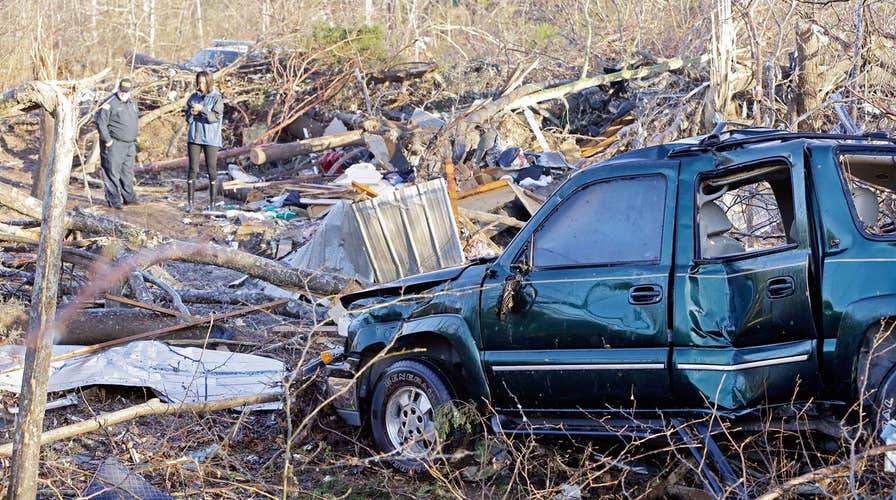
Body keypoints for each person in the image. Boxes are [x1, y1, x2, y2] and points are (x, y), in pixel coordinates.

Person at [95, 77, 139, 209]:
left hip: (129, 144)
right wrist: (108, 140)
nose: (123, 93)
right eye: (122, 90)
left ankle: (129, 199)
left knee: (127, 173)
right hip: (114, 144)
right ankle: (114, 201)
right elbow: (100, 122)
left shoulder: (132, 103)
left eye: (126, 91)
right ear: (118, 89)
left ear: (130, 91)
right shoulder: (109, 103)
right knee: (112, 172)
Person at [184, 70, 224, 212]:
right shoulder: (193, 97)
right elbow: (187, 118)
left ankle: (212, 204)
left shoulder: (217, 97)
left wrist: (203, 109)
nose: (201, 85)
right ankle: (190, 204)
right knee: (192, 169)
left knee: (211, 169)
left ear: (209, 82)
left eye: (203, 82)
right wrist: (191, 113)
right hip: (194, 137)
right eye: (199, 82)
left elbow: (216, 117)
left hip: (211, 138)